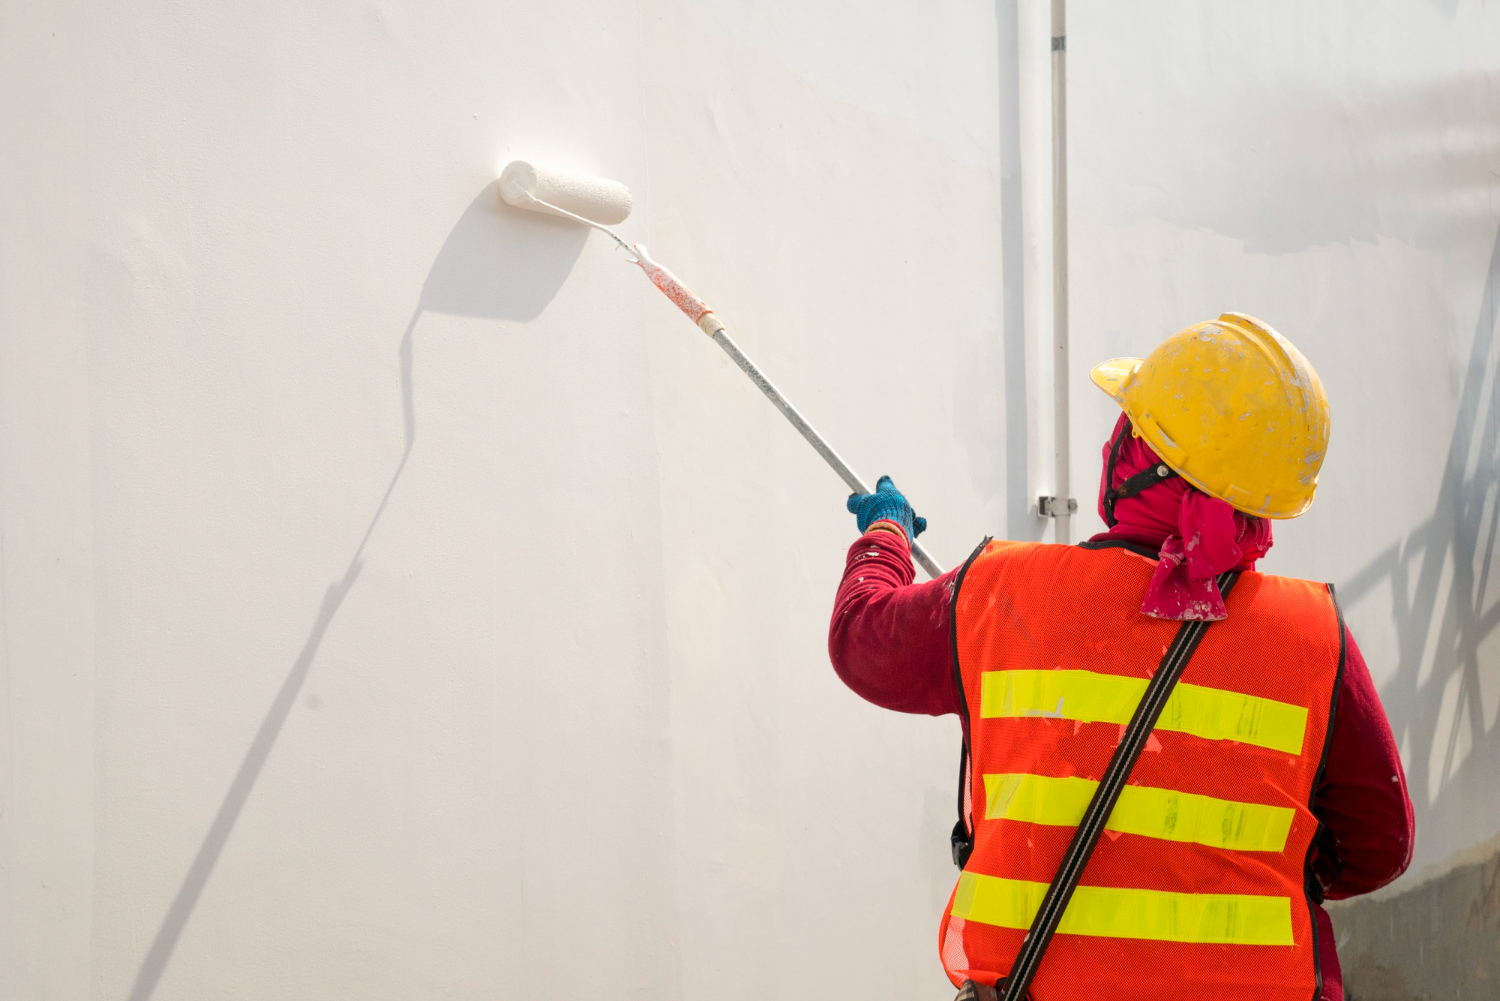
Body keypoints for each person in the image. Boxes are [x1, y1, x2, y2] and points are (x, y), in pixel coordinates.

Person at [831, 314, 1413, 1001]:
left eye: (1130, 427)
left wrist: (886, 533)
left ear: (1144, 462)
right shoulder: (1316, 635)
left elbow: (861, 638)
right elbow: (1379, 844)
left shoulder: (999, 590)